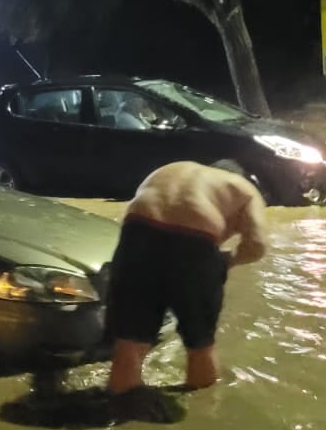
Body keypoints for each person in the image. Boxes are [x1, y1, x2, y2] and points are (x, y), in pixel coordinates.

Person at [105, 159, 267, 398]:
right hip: (195, 242)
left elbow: (132, 218)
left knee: (129, 343)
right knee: (200, 345)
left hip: (138, 233)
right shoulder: (242, 188)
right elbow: (257, 246)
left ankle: (119, 406)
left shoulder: (169, 170)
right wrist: (225, 261)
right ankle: (203, 414)